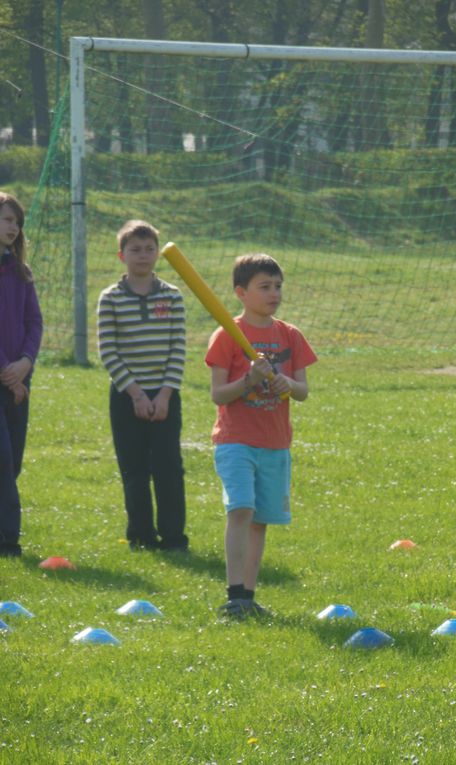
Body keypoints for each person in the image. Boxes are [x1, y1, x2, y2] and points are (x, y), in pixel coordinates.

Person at [205, 253, 317, 618]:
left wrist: (287, 383)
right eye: (264, 287)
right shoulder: (226, 335)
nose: (274, 293)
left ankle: (248, 598)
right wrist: (249, 380)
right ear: (241, 292)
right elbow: (219, 394)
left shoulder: (290, 335)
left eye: (278, 286)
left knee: (259, 521)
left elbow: (303, 392)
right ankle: (234, 594)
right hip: (235, 440)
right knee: (241, 509)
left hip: (275, 443)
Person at [97, 220, 188, 552]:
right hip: (126, 397)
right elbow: (108, 350)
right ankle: (141, 535)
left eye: (150, 249)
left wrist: (164, 394)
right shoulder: (110, 298)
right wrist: (135, 393)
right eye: (135, 250)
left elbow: (178, 348)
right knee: (134, 468)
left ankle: (174, 538)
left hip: (165, 395)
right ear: (122, 255)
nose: (143, 255)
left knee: (168, 468)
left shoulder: (172, 297)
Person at [0, 192, 43, 558]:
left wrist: (26, 362)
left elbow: (34, 322)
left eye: (16, 221)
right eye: (6, 219)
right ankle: (8, 541)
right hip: (5, 377)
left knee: (13, 458)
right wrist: (7, 372)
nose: (13, 227)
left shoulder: (21, 273)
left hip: (18, 377)